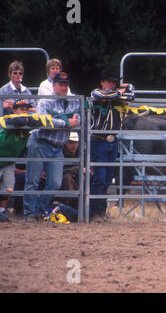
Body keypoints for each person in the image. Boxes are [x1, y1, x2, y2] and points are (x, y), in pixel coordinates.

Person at [23, 72, 80, 222]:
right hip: (40, 143)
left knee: (55, 182)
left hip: (57, 146)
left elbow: (78, 120)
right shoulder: (45, 101)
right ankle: (30, 213)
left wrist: (69, 122)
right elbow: (43, 122)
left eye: (66, 84)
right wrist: (66, 122)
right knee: (33, 180)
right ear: (53, 86)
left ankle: (40, 209)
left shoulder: (74, 101)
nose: (63, 87)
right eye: (60, 84)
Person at [89, 69, 127, 219]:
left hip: (112, 141)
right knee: (100, 178)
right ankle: (93, 212)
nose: (110, 84)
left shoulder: (114, 95)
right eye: (108, 81)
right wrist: (119, 92)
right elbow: (100, 95)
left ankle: (100, 211)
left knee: (107, 178)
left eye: (113, 82)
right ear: (102, 82)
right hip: (99, 139)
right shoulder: (96, 93)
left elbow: (132, 94)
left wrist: (123, 90)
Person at [0, 100, 42, 222]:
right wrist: (31, 115)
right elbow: (20, 120)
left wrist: (34, 113)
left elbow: (38, 121)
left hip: (9, 162)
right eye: (21, 108)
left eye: (26, 109)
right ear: (14, 110)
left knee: (8, 188)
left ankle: (1, 212)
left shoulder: (27, 126)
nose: (24, 111)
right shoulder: (10, 119)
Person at [58, 132, 81, 209]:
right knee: (67, 178)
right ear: (65, 143)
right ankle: (71, 206)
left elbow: (90, 169)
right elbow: (57, 170)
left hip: (76, 179)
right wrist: (77, 169)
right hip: (61, 181)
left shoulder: (82, 152)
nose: (74, 146)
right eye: (71, 142)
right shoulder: (59, 152)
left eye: (76, 142)